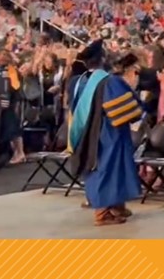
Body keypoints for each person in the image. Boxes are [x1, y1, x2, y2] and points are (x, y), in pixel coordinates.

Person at [67, 40, 144, 226]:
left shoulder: (79, 81)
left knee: (106, 167)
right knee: (108, 168)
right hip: (109, 134)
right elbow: (127, 110)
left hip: (89, 131)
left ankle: (116, 206)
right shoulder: (109, 81)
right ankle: (102, 212)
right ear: (102, 59)